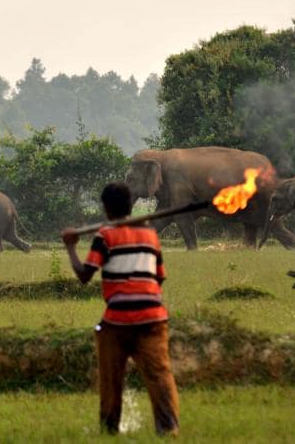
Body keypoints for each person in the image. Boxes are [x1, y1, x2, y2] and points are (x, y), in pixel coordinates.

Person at [61, 182, 179, 435]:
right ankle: (168, 429)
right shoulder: (150, 235)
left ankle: (109, 428)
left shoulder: (105, 235)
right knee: (160, 374)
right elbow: (159, 277)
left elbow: (84, 275)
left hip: (117, 322)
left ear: (106, 208)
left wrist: (70, 246)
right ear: (129, 206)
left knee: (111, 378)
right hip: (153, 318)